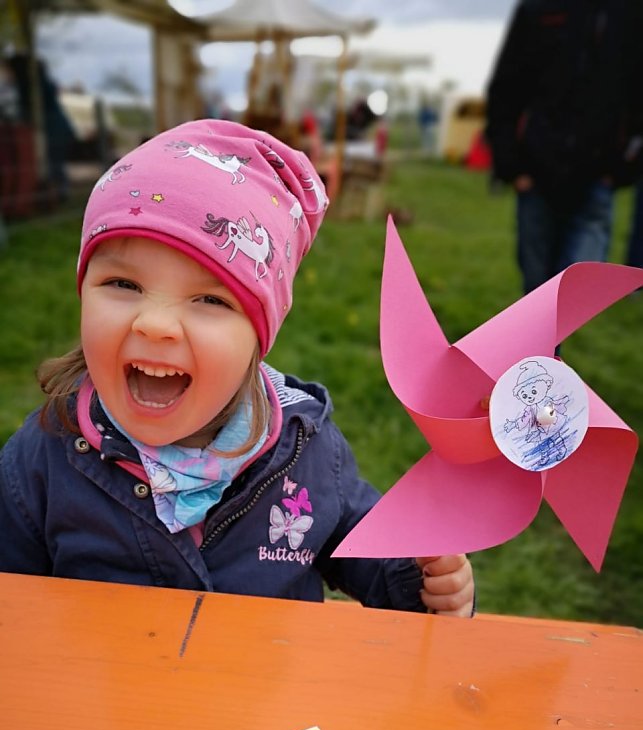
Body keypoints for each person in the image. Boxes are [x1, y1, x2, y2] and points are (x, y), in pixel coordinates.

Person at [0, 119, 474, 617]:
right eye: (123, 284)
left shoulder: (304, 449)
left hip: (263, 694)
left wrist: (422, 582)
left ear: (259, 338)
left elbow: (370, 553)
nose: (156, 324)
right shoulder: (42, 460)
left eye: (209, 298)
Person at [485, 0, 643, 295]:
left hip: (597, 177)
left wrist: (622, 169)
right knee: (536, 287)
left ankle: (548, 340)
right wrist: (512, 167)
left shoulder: (631, 13)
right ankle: (537, 342)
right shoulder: (539, 9)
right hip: (535, 173)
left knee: (575, 292)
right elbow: (505, 90)